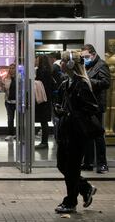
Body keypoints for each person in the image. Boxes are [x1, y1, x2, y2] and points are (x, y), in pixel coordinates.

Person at [54, 51, 98, 214]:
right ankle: (85, 188)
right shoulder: (66, 83)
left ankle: (70, 202)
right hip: (66, 132)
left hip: (77, 133)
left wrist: (72, 113)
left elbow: (93, 107)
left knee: (72, 168)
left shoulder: (82, 84)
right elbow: (61, 103)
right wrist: (60, 110)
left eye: (64, 61)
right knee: (62, 165)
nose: (61, 64)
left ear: (72, 64)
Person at [80, 44, 110, 173]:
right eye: (83, 57)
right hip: (87, 105)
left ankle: (102, 164)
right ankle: (88, 162)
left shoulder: (101, 65)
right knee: (87, 135)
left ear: (93, 54)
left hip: (96, 105)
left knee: (98, 135)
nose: (85, 59)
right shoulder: (87, 65)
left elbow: (106, 83)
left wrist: (89, 81)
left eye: (86, 56)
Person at [34, 55, 54, 149]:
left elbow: (39, 84)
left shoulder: (41, 71)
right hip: (46, 99)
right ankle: (44, 141)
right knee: (44, 121)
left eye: (37, 59)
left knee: (43, 121)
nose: (35, 61)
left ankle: (44, 142)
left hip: (42, 100)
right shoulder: (48, 71)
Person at [0, 63, 17, 141]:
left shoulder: (20, 78)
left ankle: (19, 134)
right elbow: (2, 90)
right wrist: (1, 85)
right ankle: (10, 134)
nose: (11, 70)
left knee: (20, 119)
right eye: (10, 68)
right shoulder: (6, 78)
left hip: (18, 102)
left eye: (13, 68)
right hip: (9, 101)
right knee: (10, 118)